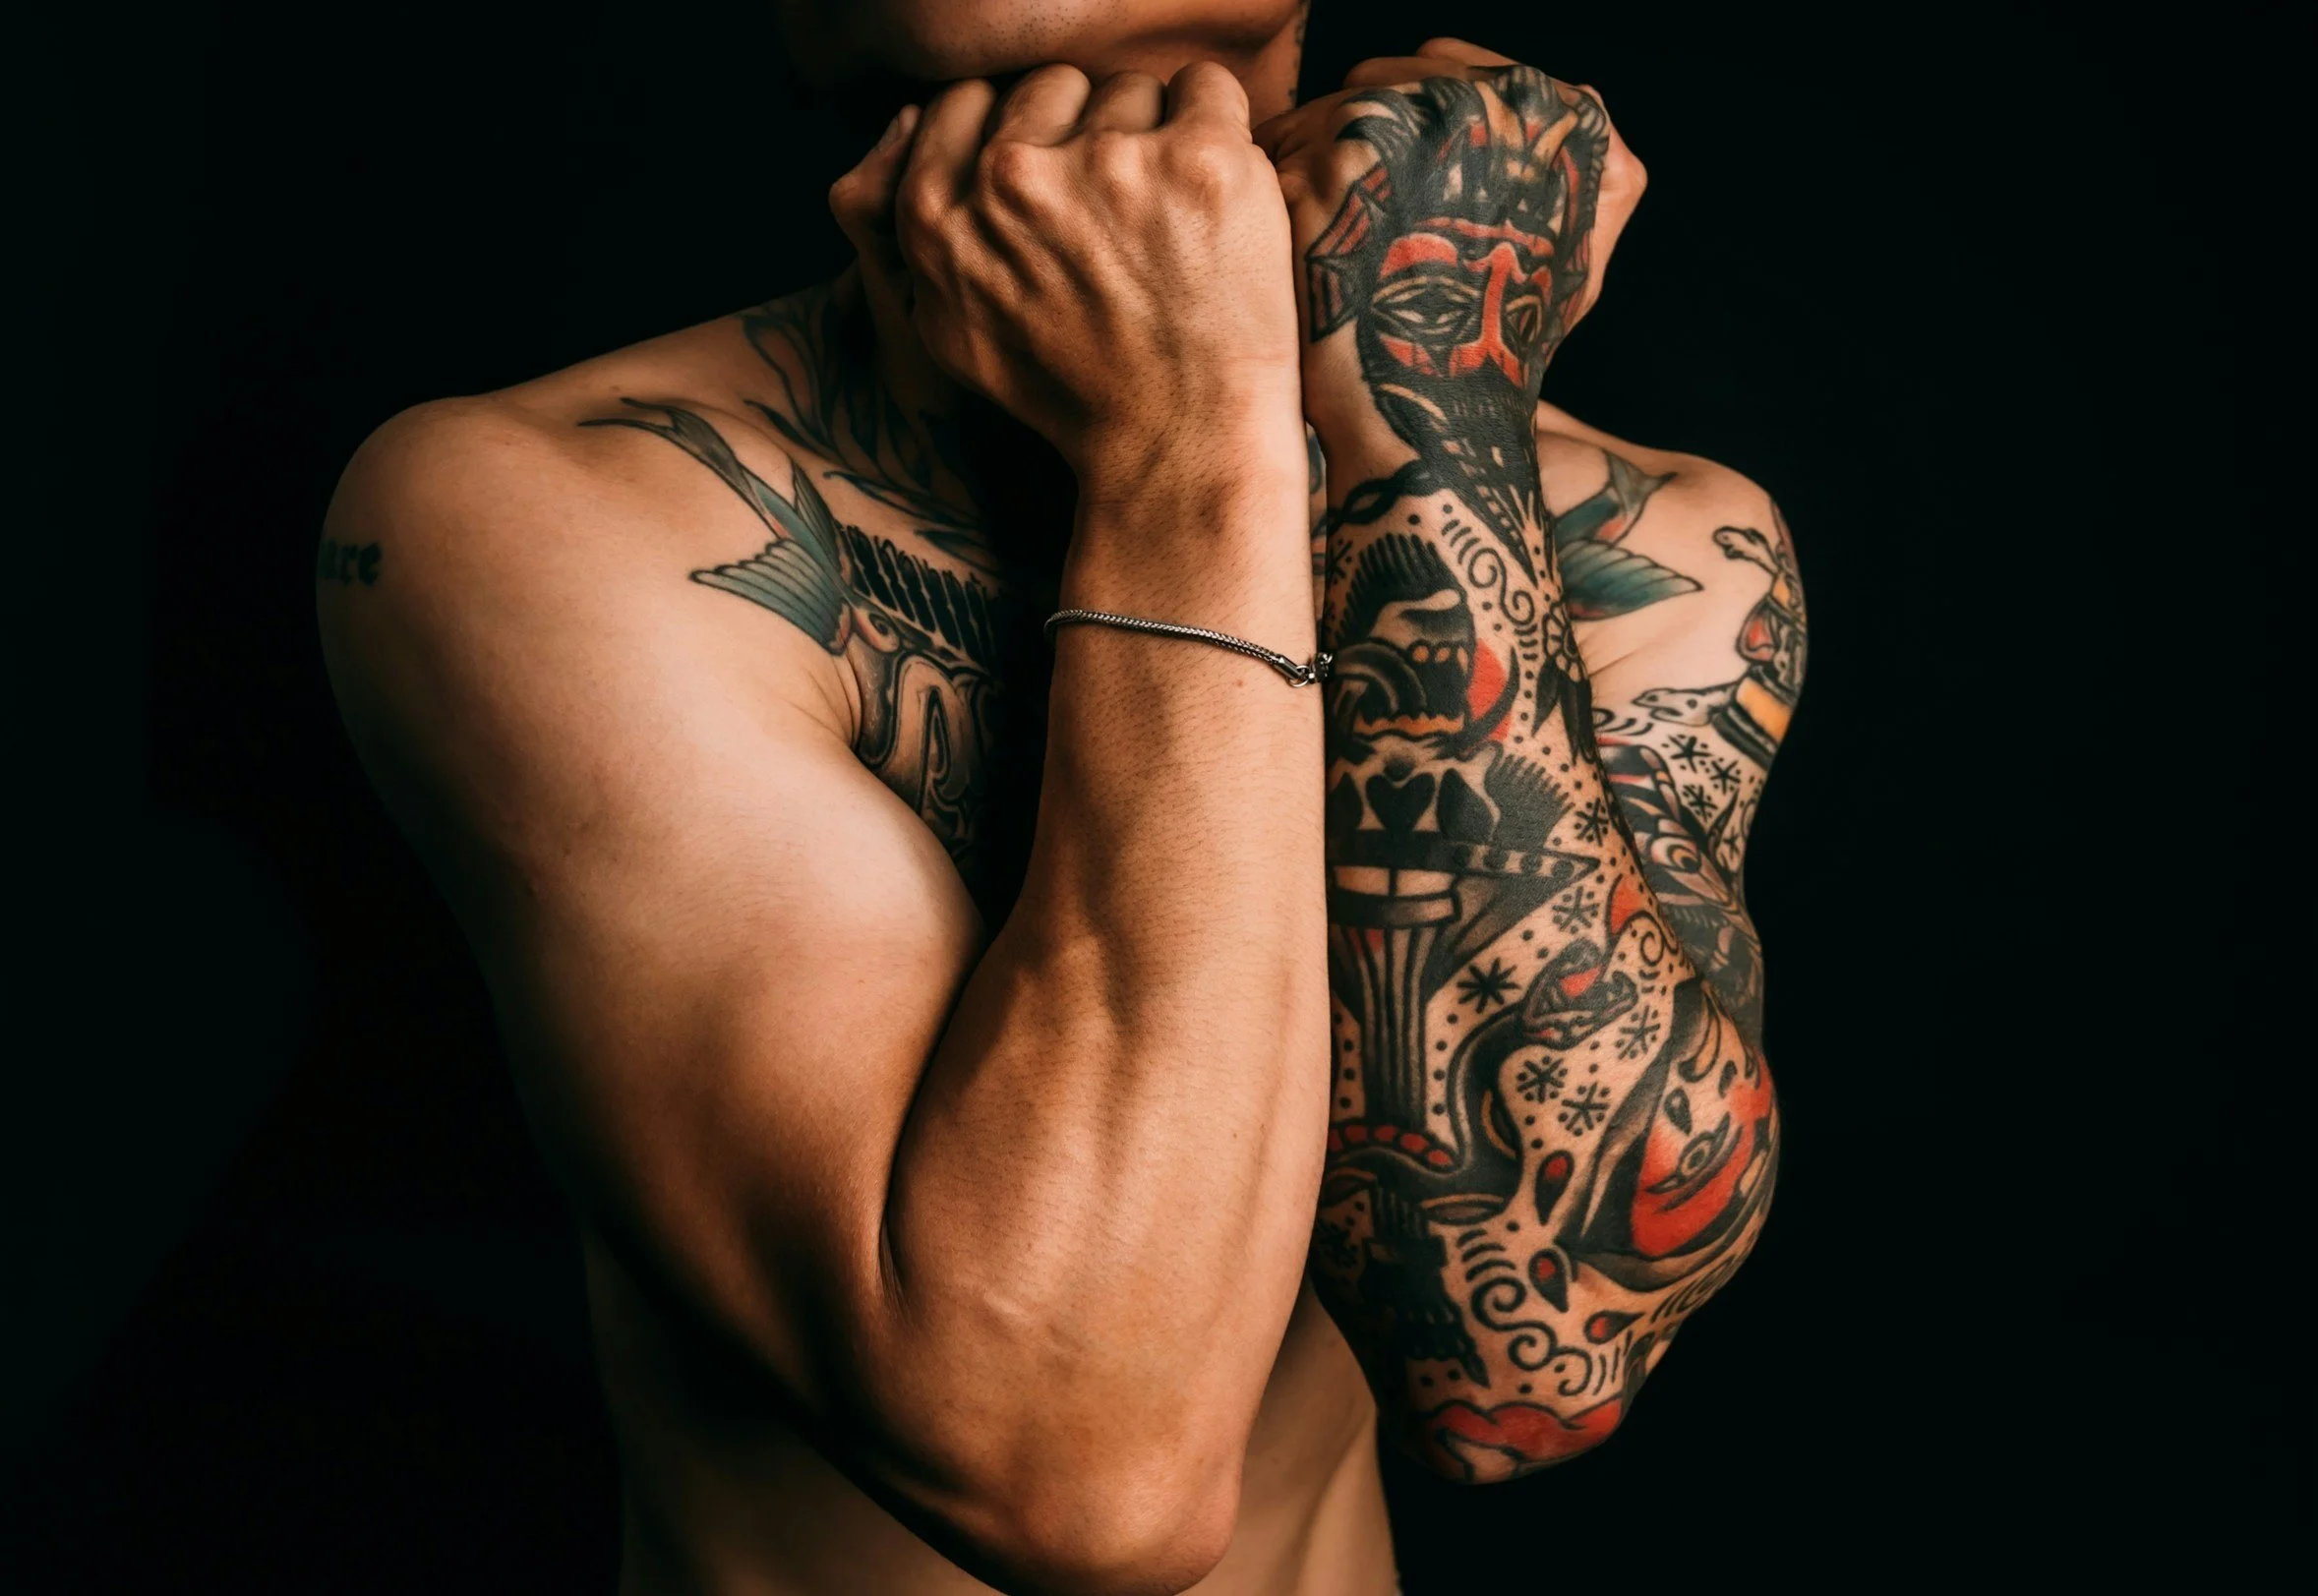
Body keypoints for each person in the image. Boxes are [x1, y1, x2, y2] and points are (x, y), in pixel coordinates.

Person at [318, 4, 1799, 1591]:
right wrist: (1190, 448)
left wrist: (1413, 412)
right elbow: (1084, 1472)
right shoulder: (549, 518)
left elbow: (1524, 1366)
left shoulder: (1632, 546)